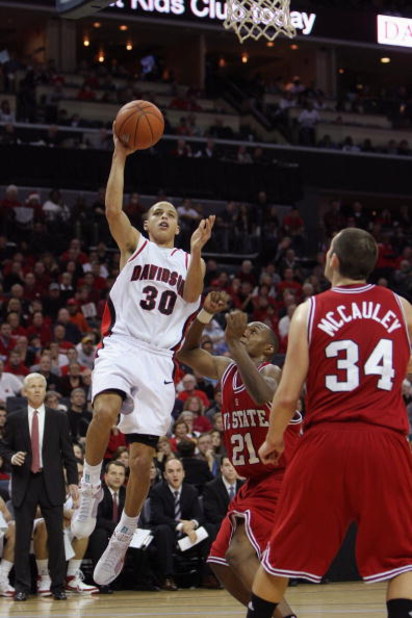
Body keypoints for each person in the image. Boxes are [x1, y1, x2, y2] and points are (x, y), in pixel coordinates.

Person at [71, 124, 215, 589]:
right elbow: (112, 207)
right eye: (158, 212)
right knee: (105, 409)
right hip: (123, 343)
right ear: (148, 224)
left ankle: (124, 532)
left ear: (178, 225)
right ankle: (91, 485)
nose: (166, 215)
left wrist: (195, 252)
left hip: (159, 360)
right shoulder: (135, 247)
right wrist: (120, 154)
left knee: (139, 460)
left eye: (172, 213)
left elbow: (193, 294)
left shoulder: (191, 261)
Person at [246, 228, 412, 618]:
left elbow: (287, 395)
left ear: (332, 259)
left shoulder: (310, 311)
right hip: (385, 441)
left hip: (326, 442)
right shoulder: (402, 309)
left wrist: (273, 439)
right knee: (402, 557)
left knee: (280, 555)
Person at [177, 292, 300, 618]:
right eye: (246, 328)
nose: (247, 330)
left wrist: (233, 345)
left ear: (269, 349)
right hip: (253, 483)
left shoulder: (275, 372)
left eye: (255, 330)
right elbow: (186, 352)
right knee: (221, 564)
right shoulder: (227, 368)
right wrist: (204, 314)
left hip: (282, 477)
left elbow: (262, 394)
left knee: (240, 555)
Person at [0, 372, 78, 601]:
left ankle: (57, 586)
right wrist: (11, 457)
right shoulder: (14, 418)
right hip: (25, 483)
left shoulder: (59, 418)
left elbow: (68, 453)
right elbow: (4, 447)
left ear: (45, 391)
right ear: (24, 391)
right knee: (23, 538)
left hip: (51, 483)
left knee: (56, 536)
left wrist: (72, 480)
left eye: (39, 386)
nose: (35, 390)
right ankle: (22, 586)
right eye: (31, 386)